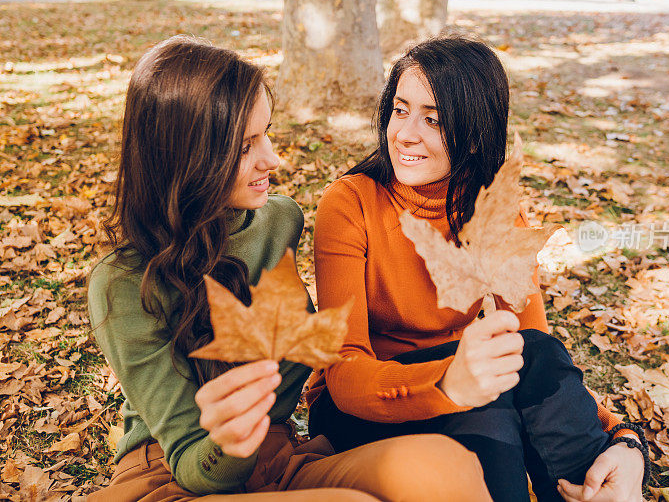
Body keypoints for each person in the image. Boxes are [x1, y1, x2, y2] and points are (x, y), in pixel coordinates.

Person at [87, 35, 493, 502]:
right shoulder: (122, 283)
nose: (272, 159)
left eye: (268, 133)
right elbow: (193, 465)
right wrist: (232, 439)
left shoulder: (278, 221)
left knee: (448, 468)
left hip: (280, 458)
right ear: (184, 157)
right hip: (179, 474)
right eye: (245, 146)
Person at [307, 36, 649, 502]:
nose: (406, 133)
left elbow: (539, 356)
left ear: (472, 135)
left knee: (531, 359)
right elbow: (343, 377)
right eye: (400, 109)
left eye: (434, 120)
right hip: (363, 406)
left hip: (470, 383)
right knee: (488, 410)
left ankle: (597, 488)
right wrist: (450, 384)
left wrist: (626, 440)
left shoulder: (496, 214)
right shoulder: (351, 204)